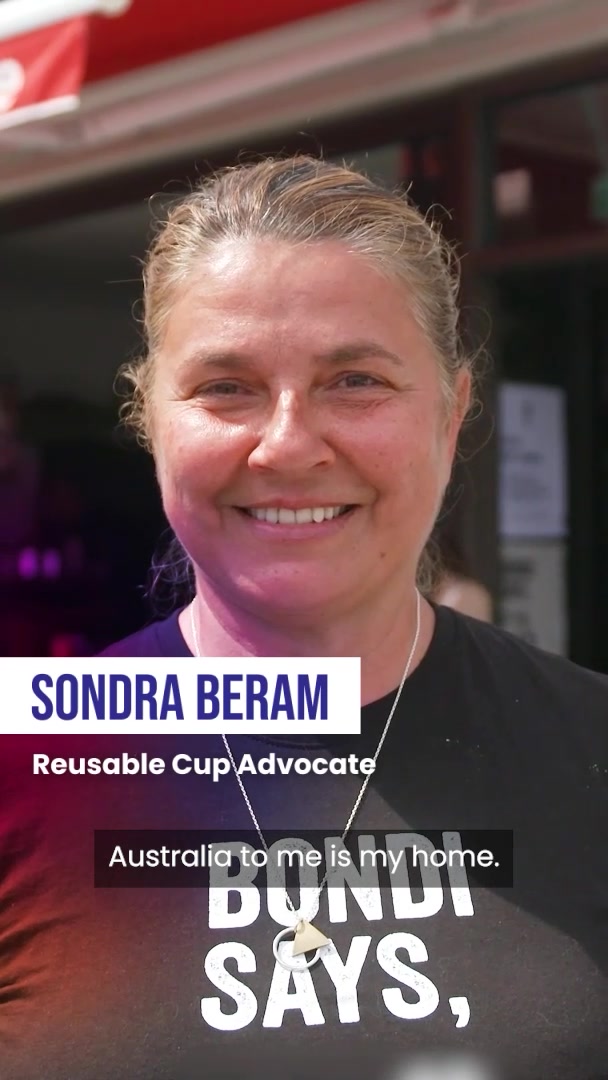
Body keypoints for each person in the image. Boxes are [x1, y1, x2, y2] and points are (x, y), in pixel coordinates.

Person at [1, 156, 606, 1080]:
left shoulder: (590, 745)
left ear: (450, 417)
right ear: (153, 421)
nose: (287, 445)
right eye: (226, 386)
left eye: (355, 380)